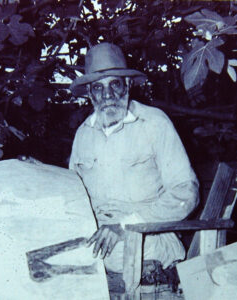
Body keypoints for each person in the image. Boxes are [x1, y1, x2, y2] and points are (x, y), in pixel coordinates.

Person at [69, 43, 199, 281]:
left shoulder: (154, 124)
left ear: (128, 85)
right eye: (98, 88)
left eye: (115, 84)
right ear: (90, 93)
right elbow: (72, 197)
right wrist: (40, 174)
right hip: (93, 259)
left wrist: (126, 225)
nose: (107, 96)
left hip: (147, 253)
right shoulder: (83, 134)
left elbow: (186, 193)